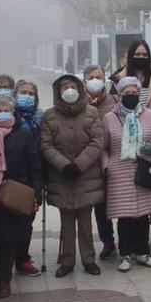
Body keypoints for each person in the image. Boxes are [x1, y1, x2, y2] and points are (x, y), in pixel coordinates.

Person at [0, 95, 42, 298]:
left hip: (12, 196)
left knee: (7, 243)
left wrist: (36, 194)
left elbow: (34, 166)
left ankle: (4, 281)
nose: (2, 112)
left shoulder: (23, 132)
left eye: (6, 108)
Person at [101, 77, 151, 271]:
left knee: (143, 216)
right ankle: (124, 255)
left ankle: (143, 253)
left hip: (144, 171)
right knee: (124, 217)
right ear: (119, 95)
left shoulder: (150, 115)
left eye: (134, 93)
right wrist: (106, 165)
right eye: (126, 94)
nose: (131, 96)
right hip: (119, 173)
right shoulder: (109, 118)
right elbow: (103, 147)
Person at [41, 74, 106, 277]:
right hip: (62, 177)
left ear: (79, 89)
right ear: (58, 93)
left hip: (85, 175)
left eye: (72, 86)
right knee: (66, 221)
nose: (69, 90)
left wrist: (79, 165)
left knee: (86, 221)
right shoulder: (50, 115)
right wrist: (64, 166)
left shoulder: (92, 112)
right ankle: (67, 260)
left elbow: (97, 141)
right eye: (64, 88)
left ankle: (89, 260)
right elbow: (46, 145)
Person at [84, 65, 118, 259]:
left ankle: (117, 240)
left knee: (112, 203)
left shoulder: (113, 101)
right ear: (85, 81)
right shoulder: (79, 103)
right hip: (88, 163)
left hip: (111, 159)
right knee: (96, 205)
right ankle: (101, 243)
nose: (95, 80)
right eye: (91, 77)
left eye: (99, 76)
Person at [11, 78, 44, 277]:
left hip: (33, 175)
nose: (27, 96)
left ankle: (22, 258)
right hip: (12, 175)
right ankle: (5, 254)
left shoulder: (41, 117)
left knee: (27, 220)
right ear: (15, 95)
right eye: (23, 92)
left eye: (31, 94)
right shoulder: (7, 115)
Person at [114, 40, 151, 108]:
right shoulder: (119, 77)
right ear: (131, 56)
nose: (141, 57)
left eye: (144, 54)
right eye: (137, 54)